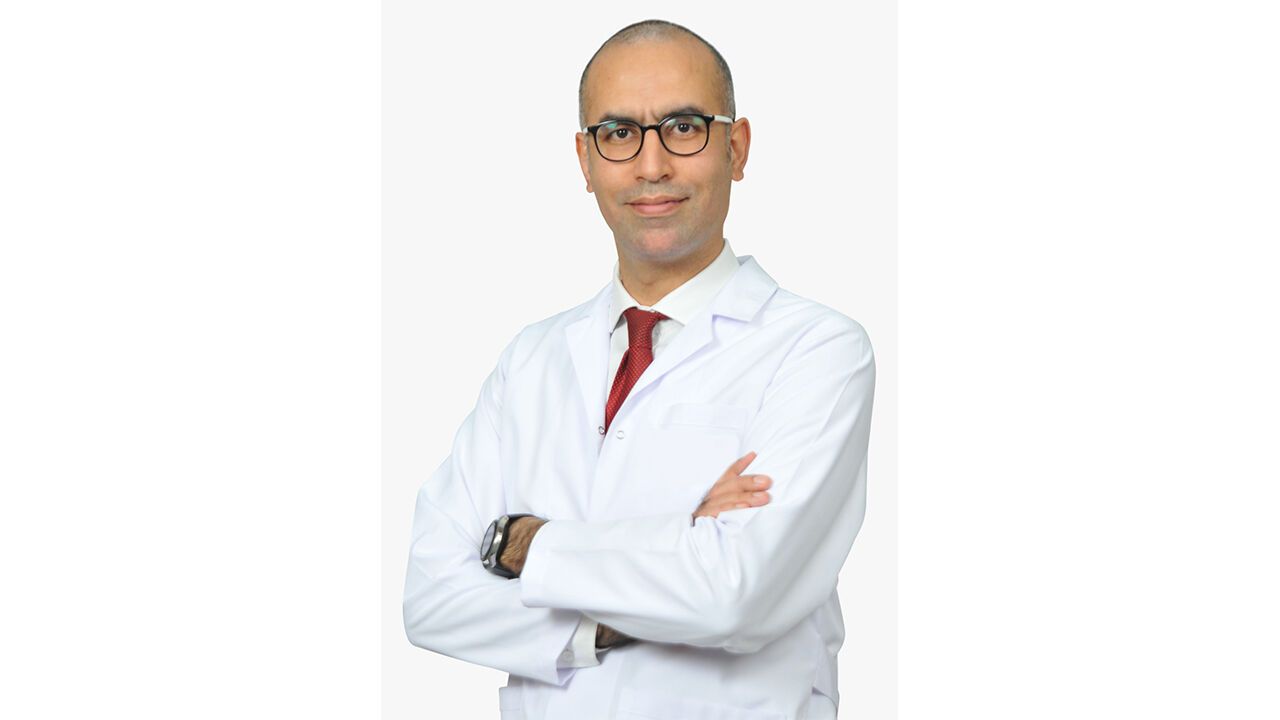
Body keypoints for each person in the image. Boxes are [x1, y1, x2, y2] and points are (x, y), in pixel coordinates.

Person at [403, 18, 876, 720]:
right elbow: (431, 598)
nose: (652, 165)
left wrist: (526, 544)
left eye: (684, 127)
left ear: (736, 148)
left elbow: (735, 594)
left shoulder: (818, 350)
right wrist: (675, 543)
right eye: (619, 133)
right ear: (585, 160)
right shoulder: (530, 361)